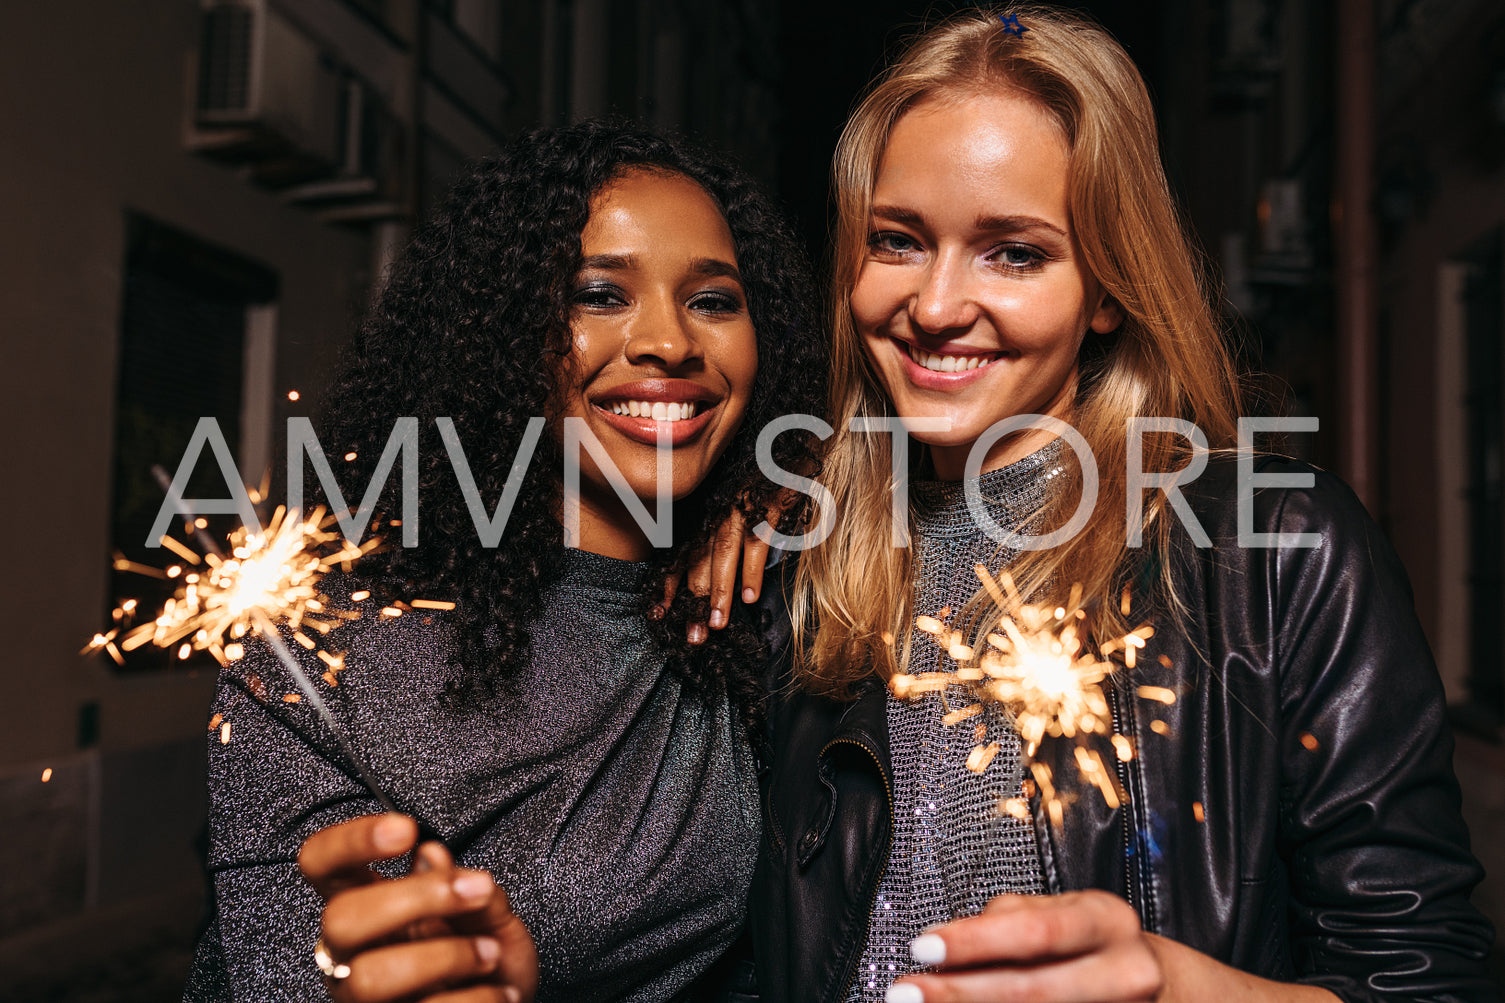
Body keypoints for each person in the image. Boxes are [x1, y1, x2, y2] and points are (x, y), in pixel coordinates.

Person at [749, 6, 1497, 1003]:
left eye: (1011, 251)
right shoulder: (805, 571)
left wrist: (1177, 985)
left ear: (1103, 285)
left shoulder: (1275, 551)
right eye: (896, 240)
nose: (932, 305)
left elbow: (1427, 983)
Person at [183, 120, 825, 1003]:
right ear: (500, 332)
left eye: (714, 300)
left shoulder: (750, 607)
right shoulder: (323, 650)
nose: (670, 342)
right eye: (600, 293)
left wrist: (801, 484)